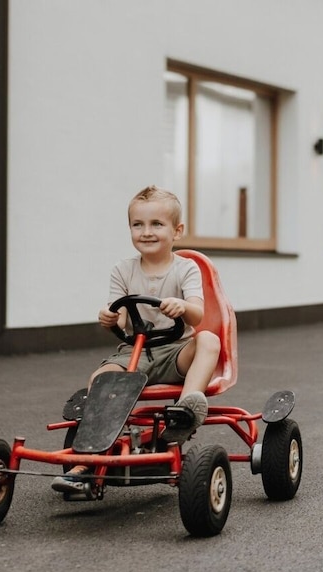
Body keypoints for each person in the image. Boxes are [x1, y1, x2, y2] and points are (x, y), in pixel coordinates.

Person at [52, 185, 221, 494]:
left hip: (176, 352)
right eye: (138, 225)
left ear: (177, 231)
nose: (146, 232)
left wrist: (182, 306)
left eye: (157, 224)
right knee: (100, 378)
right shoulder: (122, 270)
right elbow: (119, 319)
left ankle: (185, 410)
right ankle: (86, 462)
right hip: (134, 352)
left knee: (209, 340)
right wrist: (109, 318)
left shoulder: (186, 269)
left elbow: (198, 315)